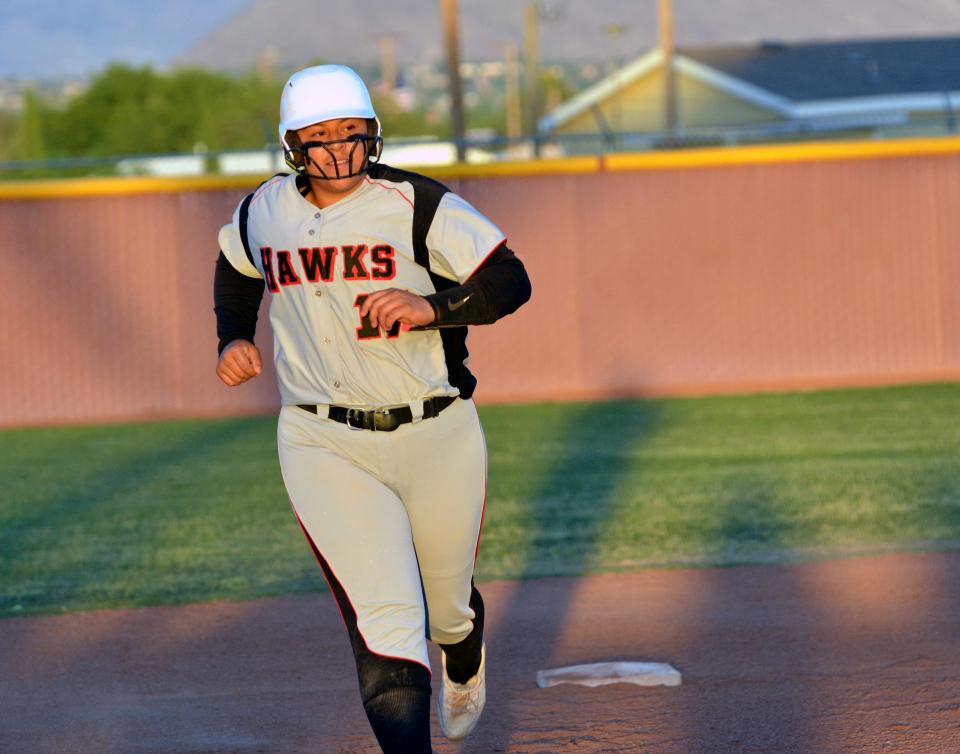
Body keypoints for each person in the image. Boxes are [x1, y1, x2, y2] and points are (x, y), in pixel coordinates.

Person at [212, 64, 531, 753]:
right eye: (321, 137)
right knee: (385, 620)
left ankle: (463, 652)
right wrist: (232, 336)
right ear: (292, 143)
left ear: (374, 135)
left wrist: (432, 307)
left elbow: (510, 279)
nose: (340, 150)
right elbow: (237, 267)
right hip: (322, 439)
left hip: (437, 427)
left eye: (352, 133)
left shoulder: (416, 203)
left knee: (445, 609)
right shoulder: (263, 210)